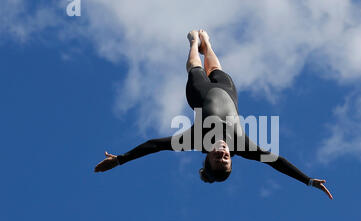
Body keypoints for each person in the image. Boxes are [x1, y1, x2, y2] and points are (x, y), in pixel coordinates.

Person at [94, 30, 333, 200]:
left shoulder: (195, 141)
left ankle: (193, 42)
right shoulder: (242, 147)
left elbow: (154, 145)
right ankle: (207, 42)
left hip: (199, 94)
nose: (223, 155)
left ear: (207, 159)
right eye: (226, 160)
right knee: (216, 68)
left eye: (217, 159)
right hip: (228, 92)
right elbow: (277, 162)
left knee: (195, 68)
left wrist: (121, 159)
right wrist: (308, 180)